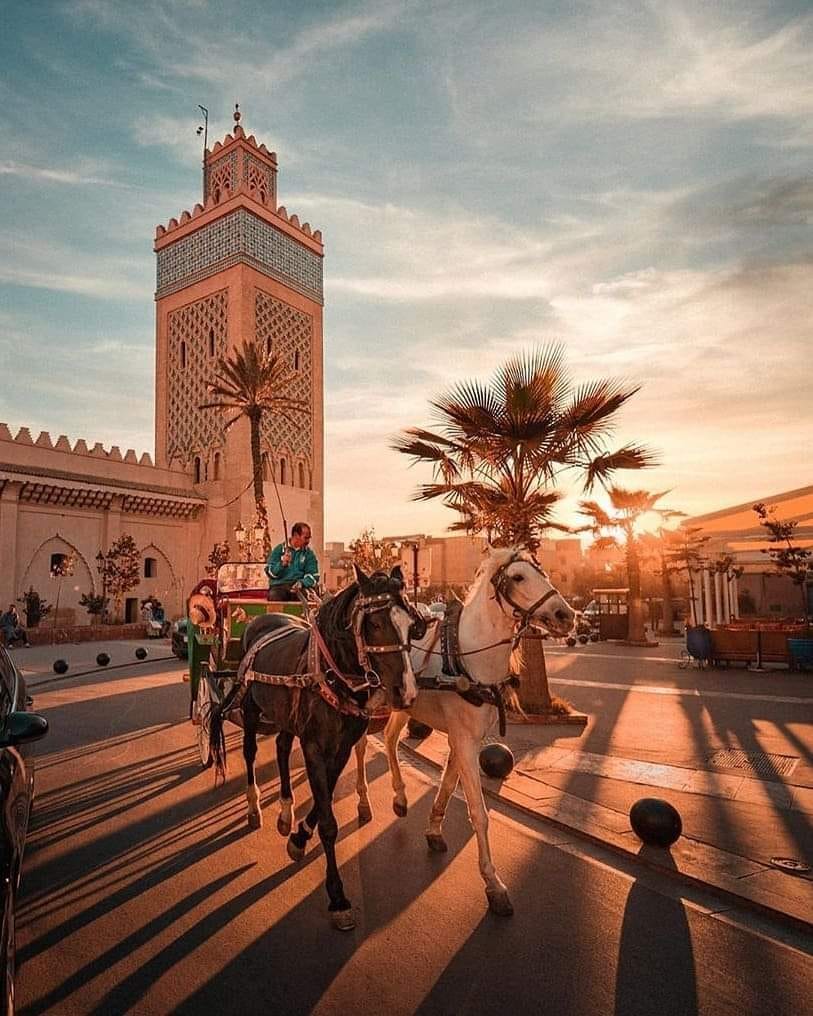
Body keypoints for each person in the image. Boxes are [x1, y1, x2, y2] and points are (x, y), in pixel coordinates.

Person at [265, 522, 319, 602]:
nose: (308, 541)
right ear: (296, 535)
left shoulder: (309, 554)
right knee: (274, 596)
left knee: (309, 596)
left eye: (309, 538)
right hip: (279, 587)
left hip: (300, 587)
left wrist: (302, 583)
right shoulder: (279, 550)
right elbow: (269, 572)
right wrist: (281, 564)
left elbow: (314, 575)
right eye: (306, 538)